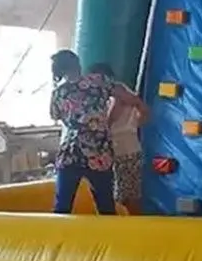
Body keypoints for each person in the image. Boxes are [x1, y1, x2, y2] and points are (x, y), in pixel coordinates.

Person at [49, 50, 145, 215]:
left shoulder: (59, 92)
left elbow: (55, 115)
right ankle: (109, 239)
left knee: (63, 205)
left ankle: (58, 239)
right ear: (78, 64)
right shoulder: (99, 81)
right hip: (98, 151)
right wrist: (142, 110)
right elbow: (127, 97)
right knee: (105, 205)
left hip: (71, 153)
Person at [89, 62, 149, 215]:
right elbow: (143, 113)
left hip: (124, 148)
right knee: (125, 194)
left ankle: (137, 226)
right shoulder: (117, 91)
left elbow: (115, 112)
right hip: (123, 145)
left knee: (127, 195)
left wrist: (102, 127)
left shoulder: (117, 90)